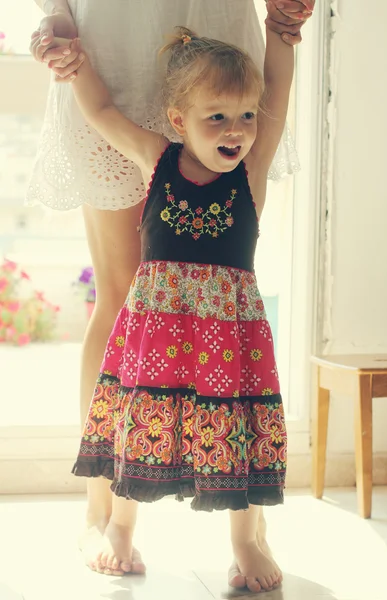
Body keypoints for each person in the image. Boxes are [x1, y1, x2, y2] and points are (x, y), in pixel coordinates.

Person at [29, 0, 312, 583]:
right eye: (216, 118)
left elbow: (278, 95)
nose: (235, 130)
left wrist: (280, 33)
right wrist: (74, 63)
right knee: (141, 424)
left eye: (244, 117)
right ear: (179, 120)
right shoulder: (153, 161)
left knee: (239, 433)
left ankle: (246, 540)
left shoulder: (250, 171)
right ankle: (121, 526)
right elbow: (103, 109)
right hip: (154, 337)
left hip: (231, 345)